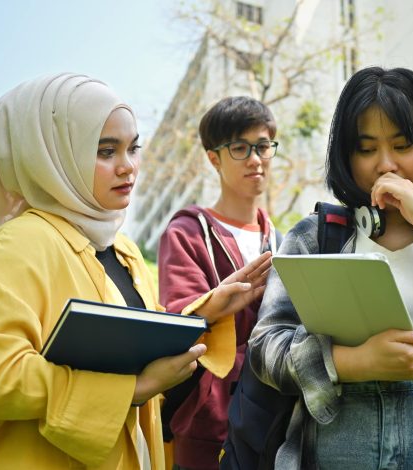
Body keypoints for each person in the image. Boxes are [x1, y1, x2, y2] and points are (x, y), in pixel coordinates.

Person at [247, 66, 413, 469]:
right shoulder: (315, 237)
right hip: (335, 442)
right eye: (367, 148)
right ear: (346, 154)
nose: (385, 164)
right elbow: (264, 349)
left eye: (403, 144)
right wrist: (354, 363)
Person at [0, 73, 217, 469]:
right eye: (105, 151)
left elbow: (143, 360)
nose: (128, 168)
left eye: (133, 148)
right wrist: (134, 388)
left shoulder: (123, 251)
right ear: (50, 157)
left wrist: (213, 311)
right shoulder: (22, 241)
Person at [157, 96, 277, 469]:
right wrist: (216, 304)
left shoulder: (284, 240)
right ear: (214, 158)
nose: (255, 159)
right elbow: (177, 319)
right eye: (240, 148)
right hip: (209, 419)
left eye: (263, 146)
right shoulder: (187, 232)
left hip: (277, 413)